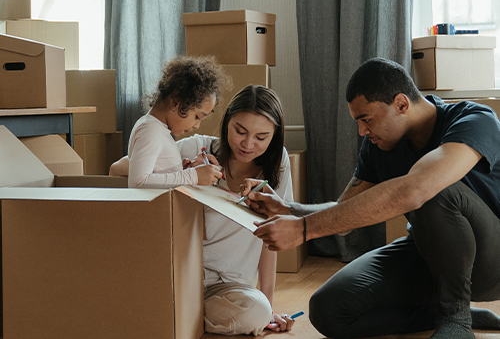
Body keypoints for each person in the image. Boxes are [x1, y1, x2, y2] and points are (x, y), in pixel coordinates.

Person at [242, 58, 500, 339]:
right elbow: (345, 214)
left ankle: (456, 319)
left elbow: (416, 189)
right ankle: (440, 311)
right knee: (329, 309)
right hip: (429, 254)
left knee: (434, 188)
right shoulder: (378, 145)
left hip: (492, 260)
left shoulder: (475, 120)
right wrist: (292, 210)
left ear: (401, 104)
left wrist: (304, 230)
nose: (362, 131)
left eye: (366, 119)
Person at [110, 85, 296, 335]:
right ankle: (177, 313)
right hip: (182, 277)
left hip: (229, 288)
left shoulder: (278, 165)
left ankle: (176, 315)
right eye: (239, 131)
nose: (248, 144)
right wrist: (185, 172)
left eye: (261, 137)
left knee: (257, 312)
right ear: (226, 122)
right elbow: (118, 169)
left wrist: (269, 308)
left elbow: (270, 238)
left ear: (274, 136)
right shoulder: (197, 148)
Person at [120, 55, 230, 188]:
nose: (197, 125)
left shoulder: (158, 129)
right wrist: (193, 176)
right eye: (197, 117)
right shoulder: (151, 130)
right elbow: (138, 182)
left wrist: (180, 171)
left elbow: (157, 176)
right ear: (176, 102)